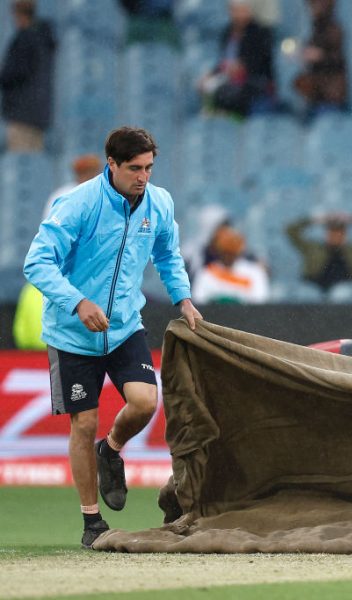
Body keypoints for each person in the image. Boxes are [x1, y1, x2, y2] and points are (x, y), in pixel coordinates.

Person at [23, 126, 203, 549]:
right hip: (71, 335)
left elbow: (167, 254)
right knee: (83, 422)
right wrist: (77, 302)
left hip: (123, 327)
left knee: (145, 402)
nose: (143, 177)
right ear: (112, 164)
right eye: (135, 168)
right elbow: (37, 261)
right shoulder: (78, 204)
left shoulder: (158, 203)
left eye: (149, 168)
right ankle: (91, 522)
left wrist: (184, 299)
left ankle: (113, 448)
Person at [199, 0, 275, 118]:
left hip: (252, 80)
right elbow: (223, 61)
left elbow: (258, 63)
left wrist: (239, 68)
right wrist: (210, 74)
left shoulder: (260, 32)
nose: (239, 14)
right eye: (235, 10)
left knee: (226, 92)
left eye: (242, 10)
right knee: (206, 85)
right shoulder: (227, 32)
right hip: (227, 76)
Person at [0, 0, 55, 152]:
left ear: (17, 14)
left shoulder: (25, 38)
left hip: (21, 114)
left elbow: (14, 73)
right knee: (34, 166)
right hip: (40, 114)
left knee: (21, 164)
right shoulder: (44, 38)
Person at [286, 212, 352, 294]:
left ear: (345, 234)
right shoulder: (313, 249)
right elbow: (291, 231)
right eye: (332, 232)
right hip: (318, 296)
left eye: (339, 233)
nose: (336, 236)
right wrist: (315, 220)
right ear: (327, 234)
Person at [293, 0, 349, 121]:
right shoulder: (316, 28)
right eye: (312, 5)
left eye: (316, 5)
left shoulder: (333, 28)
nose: (313, 9)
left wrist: (320, 56)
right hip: (320, 82)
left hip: (333, 85)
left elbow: (338, 60)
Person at [192, 225, 270, 304]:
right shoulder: (206, 273)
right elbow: (199, 302)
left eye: (232, 252)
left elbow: (260, 302)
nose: (228, 256)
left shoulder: (255, 272)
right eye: (225, 252)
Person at [45, 154, 104, 218]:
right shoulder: (63, 193)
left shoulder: (101, 192)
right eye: (85, 172)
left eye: (93, 171)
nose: (90, 175)